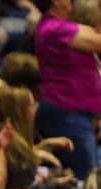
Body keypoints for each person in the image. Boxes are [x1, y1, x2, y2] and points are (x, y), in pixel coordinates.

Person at [34, 0, 101, 177]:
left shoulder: (59, 26)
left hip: (75, 114)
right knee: (90, 178)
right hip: (68, 112)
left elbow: (93, 32)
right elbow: (98, 40)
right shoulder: (55, 28)